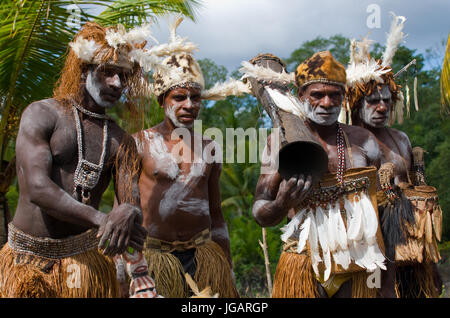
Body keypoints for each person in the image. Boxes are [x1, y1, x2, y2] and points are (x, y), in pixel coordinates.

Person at [0, 22, 152, 298]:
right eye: (108, 72)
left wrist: (130, 213)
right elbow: (37, 188)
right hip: (25, 260)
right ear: (84, 70)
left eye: (124, 76)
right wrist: (102, 219)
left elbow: (129, 204)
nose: (117, 83)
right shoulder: (42, 114)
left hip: (83, 265)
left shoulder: (123, 142)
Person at [252, 51, 390, 298]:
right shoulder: (281, 142)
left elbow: (382, 214)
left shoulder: (364, 141)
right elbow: (260, 212)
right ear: (301, 95)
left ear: (344, 96)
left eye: (334, 95)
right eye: (317, 95)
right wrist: (283, 203)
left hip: (357, 264)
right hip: (303, 264)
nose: (326, 103)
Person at [132, 17, 248, 298]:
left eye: (195, 98)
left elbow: (216, 212)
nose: (189, 105)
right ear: (162, 100)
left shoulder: (209, 147)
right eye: (179, 97)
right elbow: (125, 211)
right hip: (156, 258)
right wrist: (135, 269)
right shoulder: (139, 143)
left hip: (204, 255)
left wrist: (226, 264)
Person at [345, 13, 443, 297]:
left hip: (413, 243)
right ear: (356, 103)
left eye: (387, 101)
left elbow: (414, 186)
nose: (382, 107)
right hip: (373, 245)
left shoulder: (401, 138)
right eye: (373, 101)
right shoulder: (349, 142)